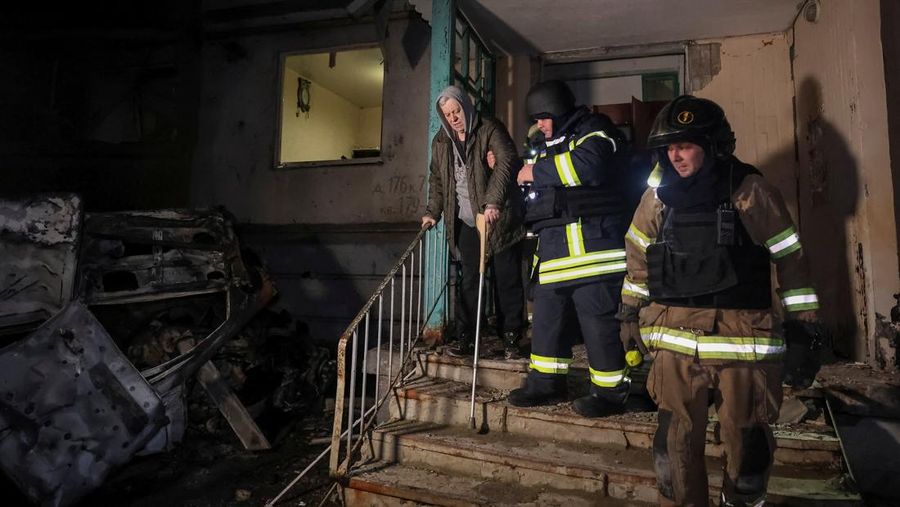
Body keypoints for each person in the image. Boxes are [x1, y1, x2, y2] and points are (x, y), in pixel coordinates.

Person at [619, 95, 826, 506]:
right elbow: (637, 258)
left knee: (748, 457)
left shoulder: (750, 191)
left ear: (713, 146)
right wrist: (628, 313)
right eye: (670, 148)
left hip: (743, 344)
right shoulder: (657, 198)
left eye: (686, 145)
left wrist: (805, 326)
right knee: (671, 452)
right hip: (674, 342)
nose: (676, 156)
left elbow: (790, 258)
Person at [507, 79, 631, 417]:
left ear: (560, 112)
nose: (540, 125)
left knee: (599, 326)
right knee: (546, 323)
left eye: (545, 117)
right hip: (554, 255)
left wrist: (534, 171)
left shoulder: (596, 131)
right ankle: (545, 384)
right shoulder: (545, 144)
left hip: (594, 255)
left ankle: (610, 394)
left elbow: (591, 166)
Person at [422, 85, 526, 360]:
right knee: (469, 281)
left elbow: (506, 163)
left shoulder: (489, 129)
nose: (454, 117)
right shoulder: (441, 142)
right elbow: (438, 180)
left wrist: (492, 203)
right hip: (467, 222)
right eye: (448, 114)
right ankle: (467, 337)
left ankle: (512, 338)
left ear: (465, 107)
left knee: (507, 281)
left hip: (498, 220)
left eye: (456, 110)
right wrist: (432, 211)